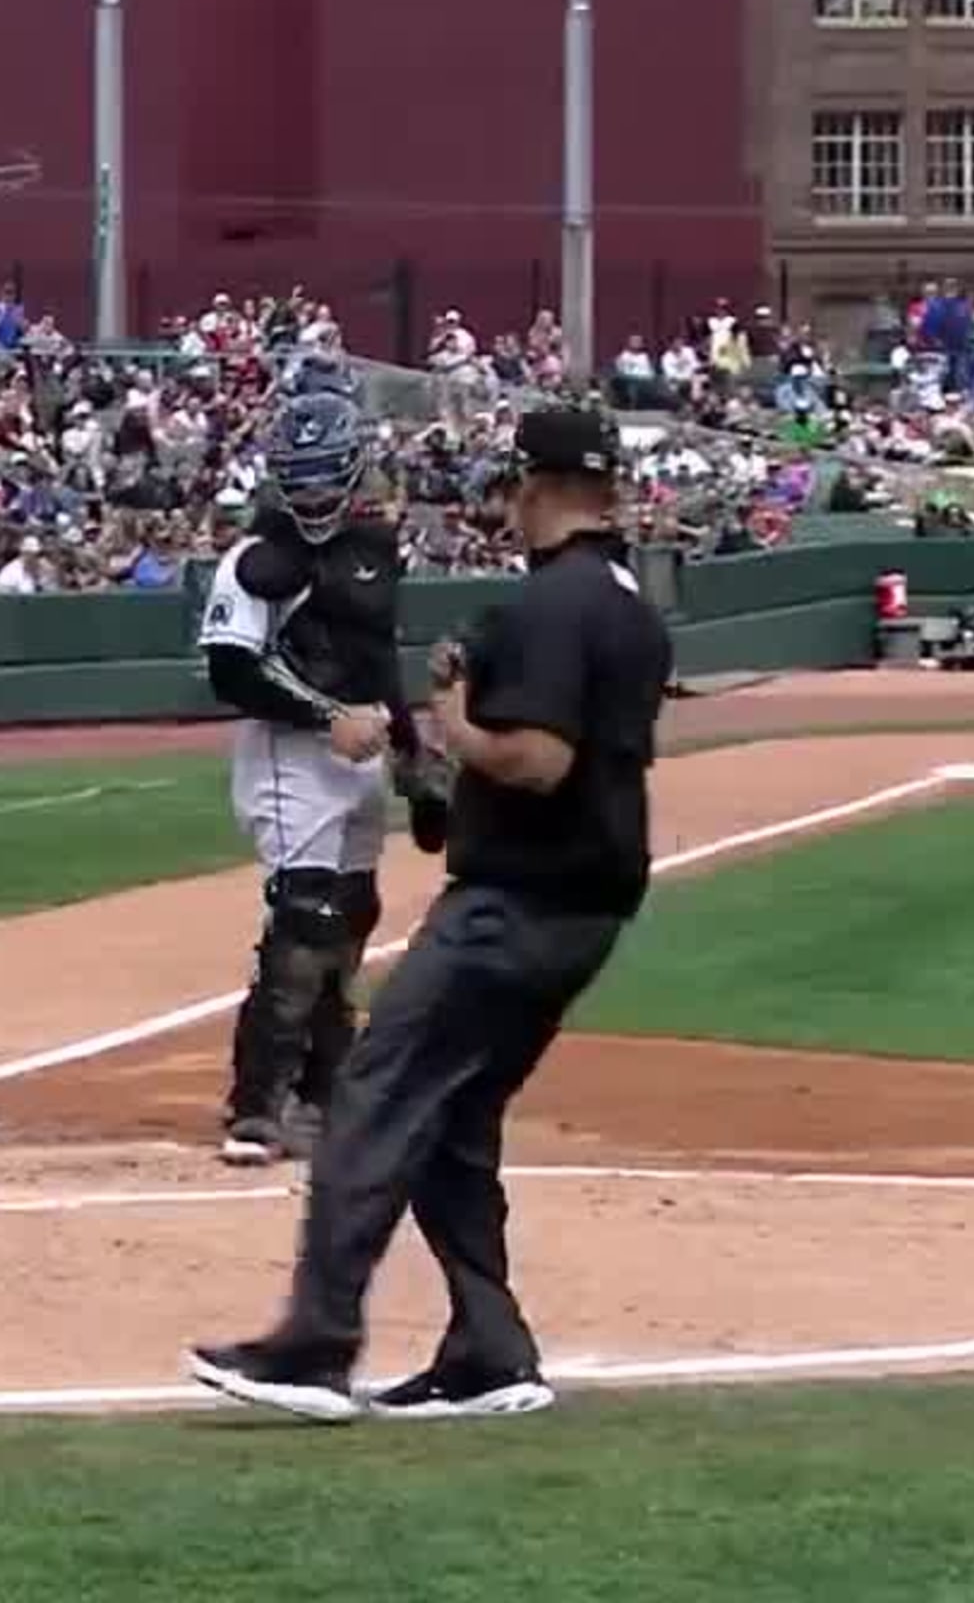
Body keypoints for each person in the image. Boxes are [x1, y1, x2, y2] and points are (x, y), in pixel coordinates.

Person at [187, 404, 672, 1424]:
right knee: (451, 1119)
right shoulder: (629, 598)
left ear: (532, 488)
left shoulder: (555, 604)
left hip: (516, 903)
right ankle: (491, 1351)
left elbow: (537, 760)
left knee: (370, 1095)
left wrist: (450, 723)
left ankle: (313, 1347)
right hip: (583, 906)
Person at [194, 371, 435, 1168]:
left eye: (327, 474)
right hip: (288, 754)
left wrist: (408, 747)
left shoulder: (372, 552)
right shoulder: (256, 561)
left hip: (360, 753)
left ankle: (328, 1096)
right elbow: (233, 667)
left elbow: (377, 658)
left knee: (352, 919)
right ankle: (257, 1106)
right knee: (304, 923)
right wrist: (328, 717)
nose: (315, 493)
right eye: (300, 478)